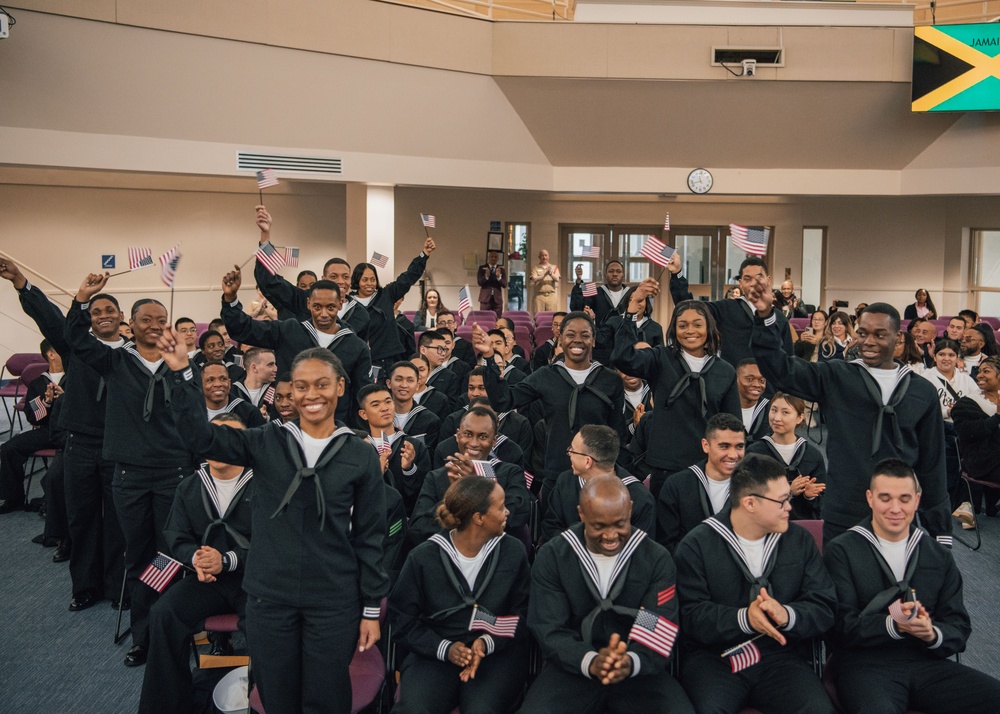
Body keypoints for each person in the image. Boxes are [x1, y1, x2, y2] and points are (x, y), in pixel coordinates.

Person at [157, 339, 388, 714]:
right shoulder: (267, 440)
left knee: (326, 699)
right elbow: (201, 438)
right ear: (290, 391)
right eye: (301, 386)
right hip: (268, 599)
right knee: (275, 699)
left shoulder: (360, 454)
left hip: (332, 601)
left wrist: (371, 611)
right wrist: (183, 372)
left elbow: (371, 537)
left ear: (341, 387)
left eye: (322, 384)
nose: (312, 394)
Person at [745, 282, 951, 546]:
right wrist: (765, 317)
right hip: (845, 509)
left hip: (898, 513)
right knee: (841, 583)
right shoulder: (837, 376)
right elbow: (780, 370)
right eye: (863, 333)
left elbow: (933, 465)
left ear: (897, 337)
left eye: (879, 334)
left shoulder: (922, 391)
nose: (869, 342)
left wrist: (940, 530)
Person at [66, 272, 196, 666]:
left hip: (173, 473)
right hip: (129, 476)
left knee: (171, 552)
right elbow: (74, 338)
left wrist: (182, 368)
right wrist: (81, 300)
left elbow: (193, 411)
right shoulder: (115, 360)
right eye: (146, 320)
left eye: (161, 320)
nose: (155, 325)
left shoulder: (180, 365)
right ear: (131, 325)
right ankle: (145, 634)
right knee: (139, 555)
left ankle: (170, 626)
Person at [824, 459, 1000, 714]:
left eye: (904, 499)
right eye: (885, 498)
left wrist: (931, 633)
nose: (895, 508)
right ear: (870, 498)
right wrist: (893, 625)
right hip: (864, 665)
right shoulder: (842, 550)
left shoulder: (937, 555)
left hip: (925, 662)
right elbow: (838, 627)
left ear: (917, 500)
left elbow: (958, 626)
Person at [3, 259, 127, 611]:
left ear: (121, 318)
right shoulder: (76, 347)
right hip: (81, 445)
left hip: (119, 448)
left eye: (109, 309)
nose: (103, 314)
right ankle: (85, 587)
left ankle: (117, 585)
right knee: (82, 516)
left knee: (118, 520)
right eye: (96, 310)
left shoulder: (134, 355)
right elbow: (50, 319)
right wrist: (22, 282)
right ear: (89, 317)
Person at [674, 454, 837, 714]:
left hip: (780, 654)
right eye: (782, 501)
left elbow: (824, 605)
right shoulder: (697, 545)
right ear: (750, 503)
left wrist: (788, 614)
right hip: (715, 657)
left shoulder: (799, 541)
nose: (789, 508)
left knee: (817, 709)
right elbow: (690, 616)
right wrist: (742, 618)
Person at [520, 475, 694, 714]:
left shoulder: (655, 558)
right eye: (599, 526)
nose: (611, 536)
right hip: (573, 666)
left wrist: (629, 661)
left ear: (630, 509)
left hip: (636, 667)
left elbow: (659, 621)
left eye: (620, 524)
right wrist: (591, 661)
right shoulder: (554, 556)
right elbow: (550, 629)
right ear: (581, 514)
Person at [138, 413, 254, 714]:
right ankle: (168, 706)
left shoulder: (266, 485)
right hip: (207, 581)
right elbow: (175, 535)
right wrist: (195, 559)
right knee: (164, 613)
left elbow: (277, 545)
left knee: (265, 623)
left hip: (255, 580)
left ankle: (263, 700)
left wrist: (227, 560)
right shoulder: (189, 486)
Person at [390, 476, 530, 714]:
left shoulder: (513, 551)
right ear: (478, 518)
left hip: (494, 654)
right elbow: (403, 621)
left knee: (482, 709)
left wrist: (487, 643)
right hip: (435, 652)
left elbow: (523, 613)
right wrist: (445, 648)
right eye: (500, 507)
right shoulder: (424, 556)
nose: (507, 512)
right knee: (414, 709)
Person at [475, 312, 626, 497]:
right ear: (560, 339)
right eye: (570, 335)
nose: (577, 340)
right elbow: (503, 400)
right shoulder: (546, 376)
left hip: (598, 477)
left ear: (593, 340)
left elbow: (618, 432)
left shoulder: (610, 380)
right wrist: (490, 357)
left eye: (585, 335)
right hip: (557, 476)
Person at [612, 282, 740, 498]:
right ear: (674, 329)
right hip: (666, 466)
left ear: (708, 329)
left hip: (709, 466)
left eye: (697, 324)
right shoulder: (661, 358)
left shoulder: (725, 371)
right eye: (683, 325)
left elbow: (733, 424)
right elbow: (623, 357)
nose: (690, 330)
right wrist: (633, 305)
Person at [219, 269, 372, 426]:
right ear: (308, 304)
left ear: (340, 304)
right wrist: (230, 300)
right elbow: (245, 329)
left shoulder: (356, 346)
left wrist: (356, 434)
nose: (324, 314)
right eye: (317, 307)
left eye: (331, 307)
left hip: (334, 429)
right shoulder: (289, 331)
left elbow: (362, 396)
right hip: (288, 426)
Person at [409, 407, 530, 544]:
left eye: (483, 437)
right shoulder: (436, 478)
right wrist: (457, 495)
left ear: (494, 441)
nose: (473, 443)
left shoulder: (510, 473)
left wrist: (477, 486)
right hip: (449, 554)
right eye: (468, 434)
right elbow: (418, 529)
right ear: (458, 436)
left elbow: (519, 517)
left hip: (495, 555)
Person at [252, 206, 370, 337]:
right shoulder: (303, 300)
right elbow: (270, 281)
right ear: (323, 279)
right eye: (334, 276)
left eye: (345, 276)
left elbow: (362, 349)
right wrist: (265, 235)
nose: (340, 281)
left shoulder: (360, 312)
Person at [667, 254, 793, 366]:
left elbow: (788, 361)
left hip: (768, 387)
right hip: (733, 384)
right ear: (741, 283)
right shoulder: (726, 309)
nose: (753, 284)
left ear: (768, 280)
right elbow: (690, 308)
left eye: (759, 278)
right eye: (747, 279)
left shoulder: (779, 318)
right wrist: (677, 274)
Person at [540, 425, 654, 543]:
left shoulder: (639, 498)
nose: (569, 453)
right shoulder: (565, 482)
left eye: (572, 450)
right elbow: (550, 528)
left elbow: (642, 549)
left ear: (587, 462)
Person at [656, 413, 745, 553]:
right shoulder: (677, 485)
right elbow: (666, 544)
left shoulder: (753, 486)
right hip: (689, 570)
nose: (733, 455)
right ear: (706, 445)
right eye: (724, 446)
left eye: (739, 447)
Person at [353, 237, 437, 376]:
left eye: (373, 279)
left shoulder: (386, 295)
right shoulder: (349, 302)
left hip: (389, 359)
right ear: (357, 281)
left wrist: (424, 254)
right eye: (365, 280)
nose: (369, 283)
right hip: (361, 360)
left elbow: (407, 278)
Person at [0, 339, 64, 515]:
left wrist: (64, 397)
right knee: (9, 448)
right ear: (50, 354)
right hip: (48, 431)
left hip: (71, 432)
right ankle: (14, 499)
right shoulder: (38, 383)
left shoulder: (75, 377)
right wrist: (48, 402)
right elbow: (35, 419)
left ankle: (53, 500)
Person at [746, 392, 826, 521]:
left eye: (785, 412)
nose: (777, 418)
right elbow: (747, 493)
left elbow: (823, 503)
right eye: (773, 410)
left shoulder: (812, 455)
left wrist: (810, 496)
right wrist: (788, 491)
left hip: (803, 528)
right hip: (765, 526)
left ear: (800, 418)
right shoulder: (755, 453)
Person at [355, 383, 430, 515]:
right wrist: (375, 473)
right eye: (375, 405)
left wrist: (409, 469)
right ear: (363, 414)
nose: (384, 408)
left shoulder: (413, 446)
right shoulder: (357, 447)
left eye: (388, 402)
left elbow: (423, 494)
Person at [952, 356, 1000, 519]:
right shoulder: (966, 404)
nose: (979, 375)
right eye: (979, 371)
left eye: (986, 371)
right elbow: (968, 433)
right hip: (981, 460)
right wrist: (997, 417)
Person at [388, 360, 443, 453]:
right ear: (389, 383)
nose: (404, 385)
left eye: (410, 380)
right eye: (398, 379)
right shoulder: (378, 416)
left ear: (417, 385)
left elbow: (428, 459)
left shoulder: (430, 421)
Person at [200, 362, 267, 428]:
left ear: (229, 383)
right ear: (200, 384)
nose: (218, 384)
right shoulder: (193, 411)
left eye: (223, 379)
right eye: (210, 380)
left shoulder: (250, 413)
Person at [570, 260, 631, 327]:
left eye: (618, 271)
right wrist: (579, 281)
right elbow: (577, 308)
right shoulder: (596, 292)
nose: (615, 274)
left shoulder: (631, 293)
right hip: (602, 334)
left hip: (626, 334)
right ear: (605, 275)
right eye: (611, 271)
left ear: (623, 275)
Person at [419, 330, 462, 409]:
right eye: (439, 349)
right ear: (423, 350)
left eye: (444, 349)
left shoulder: (450, 377)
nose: (443, 353)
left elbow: (450, 408)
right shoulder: (406, 371)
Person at [230, 347, 278, 414]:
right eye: (270, 365)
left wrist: (268, 419)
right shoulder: (232, 391)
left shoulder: (279, 389)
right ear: (254, 368)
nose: (275, 369)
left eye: (275, 364)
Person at [410, 353, 454, 422]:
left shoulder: (440, 399)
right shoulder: (396, 396)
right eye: (413, 369)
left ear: (428, 372)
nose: (417, 374)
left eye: (421, 370)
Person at [736, 359, 770, 443]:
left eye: (762, 381)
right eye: (750, 379)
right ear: (736, 378)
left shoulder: (771, 410)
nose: (757, 385)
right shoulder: (723, 406)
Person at [478, 251, 508, 318]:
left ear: (498, 259)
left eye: (495, 257)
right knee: (483, 318)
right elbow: (479, 282)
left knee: (497, 319)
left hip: (497, 300)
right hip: (485, 299)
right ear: (488, 257)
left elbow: (504, 284)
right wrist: (486, 276)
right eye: (492, 256)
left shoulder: (501, 270)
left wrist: (498, 277)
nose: (493, 258)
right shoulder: (482, 268)